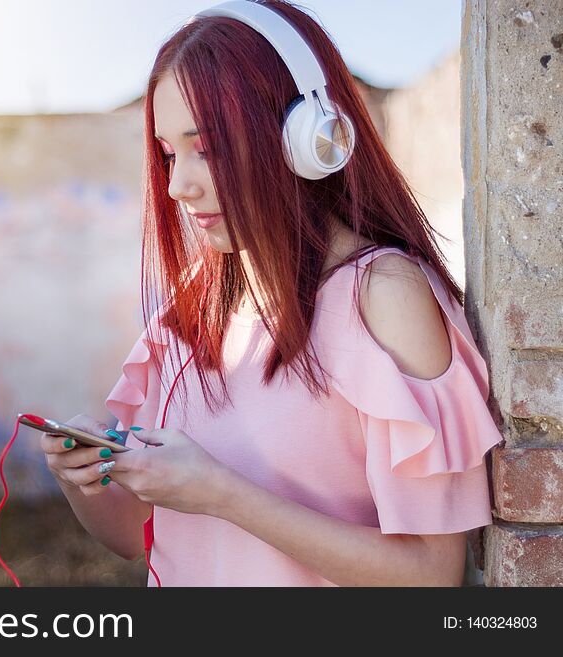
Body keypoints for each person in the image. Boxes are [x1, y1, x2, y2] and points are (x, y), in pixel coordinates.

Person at [39, 0, 502, 586]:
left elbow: (429, 577)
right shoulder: (192, 309)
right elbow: (132, 537)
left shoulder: (383, 297)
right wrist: (81, 477)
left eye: (206, 148)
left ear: (305, 138)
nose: (179, 184)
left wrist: (223, 494)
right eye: (167, 152)